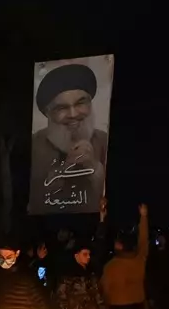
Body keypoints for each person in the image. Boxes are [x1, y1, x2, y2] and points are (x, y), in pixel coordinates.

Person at [29, 63, 109, 212]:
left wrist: (95, 168)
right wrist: (65, 169)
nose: (73, 114)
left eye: (80, 103)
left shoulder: (105, 141)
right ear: (48, 113)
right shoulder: (33, 146)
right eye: (62, 108)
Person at [100, 203, 150, 309]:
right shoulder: (139, 260)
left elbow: (104, 289)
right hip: (137, 308)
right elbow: (144, 242)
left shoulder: (111, 266)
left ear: (120, 246)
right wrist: (144, 217)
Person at [55, 243, 109, 309]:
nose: (88, 257)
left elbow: (96, 292)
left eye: (89, 254)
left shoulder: (90, 273)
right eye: (85, 254)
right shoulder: (68, 275)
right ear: (76, 255)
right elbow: (61, 295)